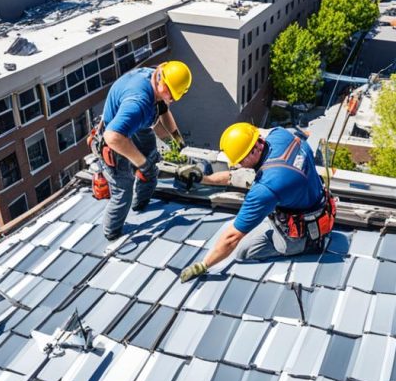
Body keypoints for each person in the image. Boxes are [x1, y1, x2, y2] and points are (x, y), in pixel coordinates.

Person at [179, 123, 336, 282]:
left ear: (253, 151)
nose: (237, 164)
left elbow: (231, 238)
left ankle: (308, 246)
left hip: (303, 235)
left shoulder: (265, 189)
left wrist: (203, 265)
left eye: (240, 160)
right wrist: (203, 179)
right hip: (316, 202)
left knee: (244, 252)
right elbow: (236, 175)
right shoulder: (280, 135)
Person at [91, 61, 192, 240]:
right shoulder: (138, 103)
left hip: (138, 126)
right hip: (116, 141)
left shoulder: (155, 76)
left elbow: (163, 111)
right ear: (162, 81)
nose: (174, 99)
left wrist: (177, 142)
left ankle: (141, 203)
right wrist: (141, 163)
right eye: (172, 94)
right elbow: (113, 137)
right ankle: (111, 231)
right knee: (124, 190)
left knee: (151, 165)